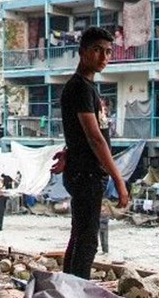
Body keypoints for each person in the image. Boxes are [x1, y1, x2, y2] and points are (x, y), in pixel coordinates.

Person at [51, 27, 130, 279]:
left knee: (79, 236)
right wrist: (118, 178)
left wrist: (68, 151)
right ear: (82, 52)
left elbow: (80, 133)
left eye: (108, 51)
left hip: (82, 169)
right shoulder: (80, 88)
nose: (103, 56)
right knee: (87, 241)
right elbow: (95, 138)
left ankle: (68, 293)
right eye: (96, 50)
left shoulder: (86, 87)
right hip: (86, 174)